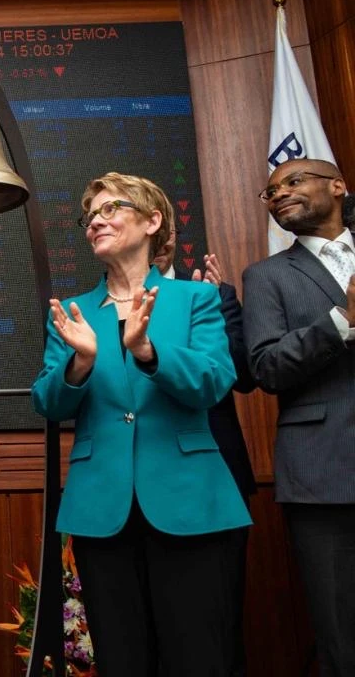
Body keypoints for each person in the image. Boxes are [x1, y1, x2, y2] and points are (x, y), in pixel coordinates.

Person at [32, 172, 250, 676]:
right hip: (100, 509)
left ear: (153, 221)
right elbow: (47, 401)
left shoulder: (196, 299)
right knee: (122, 659)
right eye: (90, 216)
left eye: (111, 209)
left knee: (199, 657)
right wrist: (80, 363)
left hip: (191, 502)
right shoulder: (71, 313)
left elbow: (215, 381)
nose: (95, 222)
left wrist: (149, 352)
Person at [242, 158, 355, 676]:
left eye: (293, 181)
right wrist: (341, 323)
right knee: (341, 630)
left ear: (337, 186)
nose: (279, 194)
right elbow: (265, 366)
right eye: (270, 192)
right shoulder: (266, 276)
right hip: (324, 475)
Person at [153, 228, 256, 677]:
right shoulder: (96, 302)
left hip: (217, 470)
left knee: (220, 614)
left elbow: (245, 375)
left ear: (168, 233)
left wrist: (212, 305)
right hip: (142, 478)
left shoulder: (212, 291)